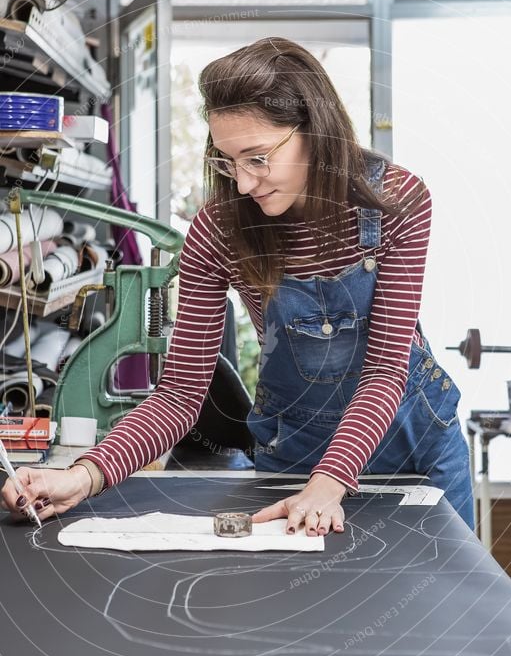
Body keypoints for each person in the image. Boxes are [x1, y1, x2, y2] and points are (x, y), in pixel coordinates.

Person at [1, 37, 474, 535]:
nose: (244, 184)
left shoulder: (395, 200)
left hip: (414, 444)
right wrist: (84, 474)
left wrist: (330, 481)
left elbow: (383, 370)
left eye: (257, 157)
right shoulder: (219, 229)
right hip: (295, 456)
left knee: (446, 601)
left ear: (314, 130)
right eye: (228, 161)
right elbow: (181, 395)